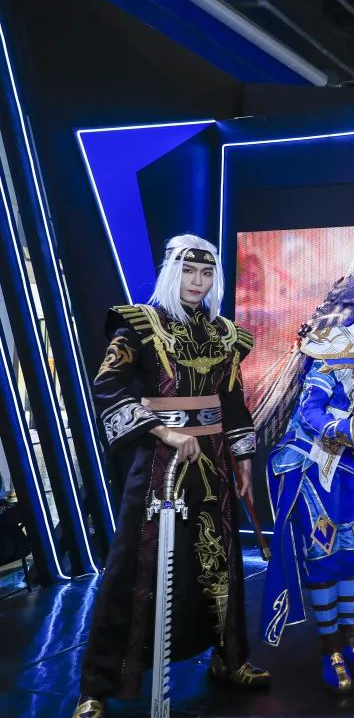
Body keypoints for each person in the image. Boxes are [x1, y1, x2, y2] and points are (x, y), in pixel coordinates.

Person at [74, 234, 268, 718]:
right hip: (158, 464)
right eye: (188, 271)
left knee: (220, 562)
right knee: (134, 569)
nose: (197, 281)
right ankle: (96, 686)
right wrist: (163, 430)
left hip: (214, 464)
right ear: (171, 271)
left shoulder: (227, 335)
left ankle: (229, 659)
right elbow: (107, 387)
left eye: (206, 272)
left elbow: (232, 401)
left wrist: (243, 458)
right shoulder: (139, 325)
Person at [260, 261, 354, 693]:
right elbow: (309, 409)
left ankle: (351, 642)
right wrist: (345, 429)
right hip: (317, 465)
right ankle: (329, 648)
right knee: (323, 555)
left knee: (353, 553)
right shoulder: (338, 345)